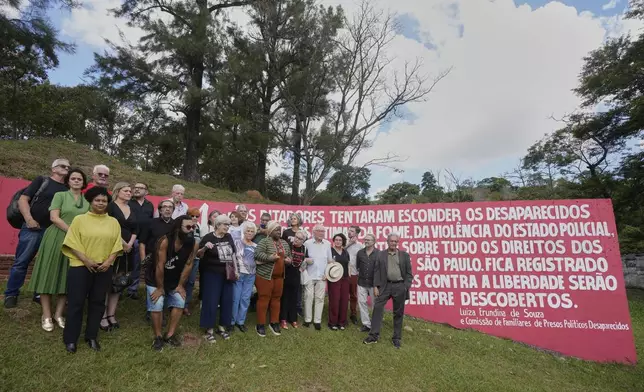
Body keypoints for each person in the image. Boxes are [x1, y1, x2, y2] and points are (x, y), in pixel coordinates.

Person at [62, 186, 123, 353]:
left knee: (97, 302)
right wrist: (86, 260)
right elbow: (72, 242)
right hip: (81, 267)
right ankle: (70, 339)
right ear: (91, 201)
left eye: (104, 200)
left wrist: (109, 261)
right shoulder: (79, 220)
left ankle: (91, 336)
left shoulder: (113, 222)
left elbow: (117, 244)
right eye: (97, 200)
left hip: (104, 267)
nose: (101, 203)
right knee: (76, 302)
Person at [28, 168, 89, 332]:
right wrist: (72, 231)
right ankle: (46, 314)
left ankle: (58, 314)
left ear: (84, 182)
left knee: (67, 276)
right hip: (56, 237)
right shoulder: (60, 196)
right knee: (49, 274)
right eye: (73, 178)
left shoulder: (87, 201)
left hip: (76, 242)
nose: (76, 181)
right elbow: (54, 217)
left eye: (79, 179)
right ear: (68, 181)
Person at [4, 158, 69, 308]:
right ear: (53, 169)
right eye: (63, 166)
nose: (66, 168)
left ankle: (39, 293)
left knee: (45, 263)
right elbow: (23, 200)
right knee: (22, 262)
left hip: (52, 231)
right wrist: (29, 219)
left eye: (68, 167)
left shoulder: (66, 189)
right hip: (33, 228)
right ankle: (11, 293)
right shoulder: (42, 180)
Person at [146, 216, 198, 351]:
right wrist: (159, 287)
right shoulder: (164, 241)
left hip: (175, 280)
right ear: (177, 228)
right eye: (188, 227)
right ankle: (157, 337)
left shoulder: (193, 243)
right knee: (156, 304)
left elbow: (188, 265)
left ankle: (169, 335)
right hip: (156, 279)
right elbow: (159, 265)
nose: (191, 230)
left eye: (193, 227)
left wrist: (180, 285)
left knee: (180, 302)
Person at [363, 233, 413, 348]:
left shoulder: (404, 255)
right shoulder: (381, 255)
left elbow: (409, 274)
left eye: (396, 241)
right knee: (377, 308)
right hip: (385, 286)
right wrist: (375, 286)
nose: (393, 243)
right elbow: (376, 271)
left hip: (399, 286)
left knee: (398, 313)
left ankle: (396, 338)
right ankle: (373, 336)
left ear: (398, 242)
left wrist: (405, 286)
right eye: (392, 241)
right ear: (387, 241)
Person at [102, 182, 138, 331]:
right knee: (106, 282)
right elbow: (107, 226)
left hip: (127, 250)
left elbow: (136, 229)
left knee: (119, 281)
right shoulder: (110, 207)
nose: (129, 193)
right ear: (118, 191)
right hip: (112, 247)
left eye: (130, 191)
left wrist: (130, 244)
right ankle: (102, 315)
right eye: (126, 191)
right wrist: (123, 243)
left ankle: (111, 314)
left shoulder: (132, 208)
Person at [197, 214, 239, 342]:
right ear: (217, 225)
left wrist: (236, 270)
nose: (227, 227)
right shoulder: (208, 237)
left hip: (227, 273)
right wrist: (205, 247)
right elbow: (198, 254)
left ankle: (222, 327)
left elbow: (233, 254)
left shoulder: (228, 236)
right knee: (211, 300)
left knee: (227, 299)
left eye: (228, 225)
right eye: (225, 224)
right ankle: (209, 329)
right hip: (211, 273)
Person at [254, 221, 291, 337]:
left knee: (276, 300)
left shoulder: (284, 243)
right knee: (263, 300)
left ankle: (274, 322)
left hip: (279, 277)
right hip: (265, 276)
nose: (279, 232)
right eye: (276, 230)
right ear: (270, 231)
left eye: (280, 230)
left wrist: (288, 260)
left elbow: (289, 255)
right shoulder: (264, 241)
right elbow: (257, 254)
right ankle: (260, 324)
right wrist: (269, 258)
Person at [302, 224, 333, 330]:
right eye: (319, 231)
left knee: (320, 298)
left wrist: (328, 274)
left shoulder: (328, 244)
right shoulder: (307, 243)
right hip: (309, 275)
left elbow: (330, 261)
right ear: (313, 232)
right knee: (308, 297)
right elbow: (302, 258)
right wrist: (306, 260)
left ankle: (317, 321)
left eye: (323, 231)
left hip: (322, 276)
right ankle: (307, 320)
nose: (321, 233)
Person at [126, 182, 154, 300]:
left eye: (140, 188)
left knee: (138, 265)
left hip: (144, 240)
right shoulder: (128, 202)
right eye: (135, 187)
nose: (137, 189)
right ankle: (119, 286)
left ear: (146, 192)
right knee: (127, 265)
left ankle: (132, 290)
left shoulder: (150, 205)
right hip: (129, 238)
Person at [231, 221, 257, 332]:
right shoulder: (237, 242)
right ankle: (231, 322)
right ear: (244, 232)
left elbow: (257, 260)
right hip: (239, 274)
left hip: (251, 275)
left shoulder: (256, 246)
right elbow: (232, 257)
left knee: (245, 299)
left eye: (252, 231)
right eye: (248, 231)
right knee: (235, 298)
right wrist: (235, 271)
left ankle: (240, 322)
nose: (250, 233)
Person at [280, 229, 306, 329]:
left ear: (303, 240)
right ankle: (283, 319)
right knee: (285, 297)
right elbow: (281, 257)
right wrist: (285, 260)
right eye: (296, 237)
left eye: (300, 238)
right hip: (286, 273)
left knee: (294, 298)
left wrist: (302, 267)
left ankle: (293, 319)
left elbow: (305, 261)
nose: (297, 240)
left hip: (297, 275)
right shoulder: (288, 246)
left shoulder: (304, 249)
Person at [356, 234, 378, 332]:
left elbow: (381, 270)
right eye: (365, 239)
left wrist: (377, 285)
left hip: (374, 284)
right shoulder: (360, 253)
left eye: (369, 240)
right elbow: (358, 266)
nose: (366, 241)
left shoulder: (379, 253)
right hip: (361, 282)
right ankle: (366, 324)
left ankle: (375, 324)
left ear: (374, 241)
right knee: (361, 302)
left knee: (375, 304)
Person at [328, 233, 350, 331]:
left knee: (344, 300)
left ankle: (342, 322)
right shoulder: (330, 251)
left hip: (345, 278)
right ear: (333, 241)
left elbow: (348, 264)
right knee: (335, 300)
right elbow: (327, 264)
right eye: (336, 240)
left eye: (340, 240)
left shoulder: (345, 252)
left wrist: (349, 274)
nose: (338, 241)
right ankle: (333, 322)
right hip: (334, 279)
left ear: (343, 242)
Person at [183, 207, 202, 316]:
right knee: (182, 281)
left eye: (196, 216)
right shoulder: (184, 226)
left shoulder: (198, 227)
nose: (194, 218)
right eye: (192, 216)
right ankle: (176, 305)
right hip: (185, 258)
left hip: (196, 259)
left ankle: (185, 305)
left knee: (190, 282)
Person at [345, 226, 364, 325]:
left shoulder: (360, 246)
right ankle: (342, 313)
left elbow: (362, 259)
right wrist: (349, 244)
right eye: (349, 230)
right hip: (343, 273)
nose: (349, 232)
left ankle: (353, 314)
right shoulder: (343, 242)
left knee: (353, 294)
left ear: (356, 234)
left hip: (353, 273)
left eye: (352, 231)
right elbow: (339, 251)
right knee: (343, 294)